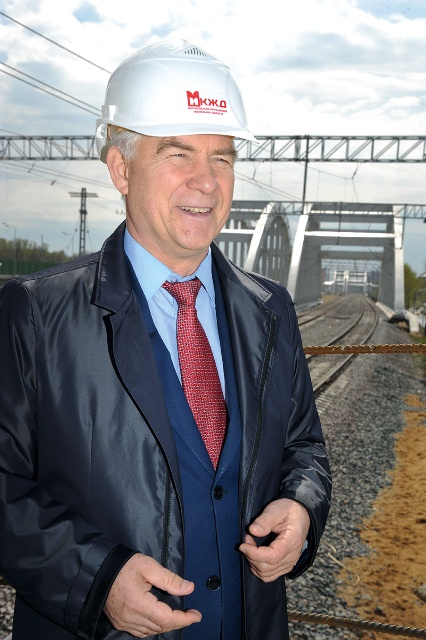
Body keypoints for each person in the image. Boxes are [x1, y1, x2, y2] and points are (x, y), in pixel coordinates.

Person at [0, 40, 331, 640]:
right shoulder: (36, 314)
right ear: (121, 169)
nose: (206, 182)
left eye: (222, 158)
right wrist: (95, 580)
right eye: (178, 154)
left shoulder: (270, 310)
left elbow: (304, 446)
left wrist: (302, 505)